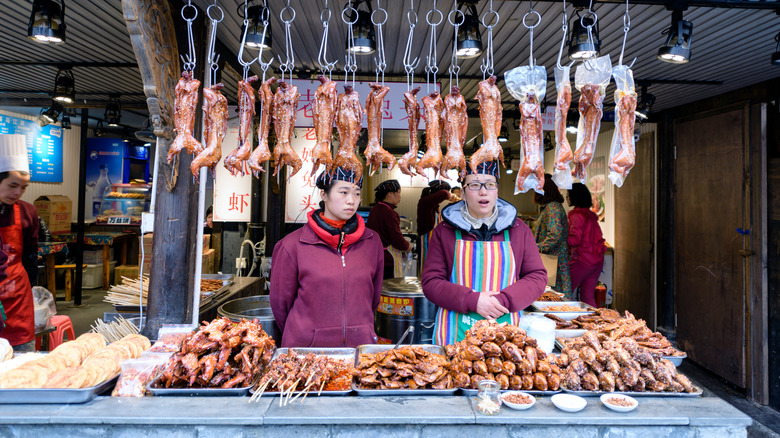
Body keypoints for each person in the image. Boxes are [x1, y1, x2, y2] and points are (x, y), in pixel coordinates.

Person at [422, 161, 547, 345]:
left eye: (490, 184)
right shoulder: (444, 231)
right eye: (474, 185)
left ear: (496, 190)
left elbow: (537, 276)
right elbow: (431, 282)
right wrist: (473, 300)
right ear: (463, 193)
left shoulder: (519, 230)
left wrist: (503, 300)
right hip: (455, 335)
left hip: (506, 336)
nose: (483, 191)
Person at [270, 167, 384, 348]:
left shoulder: (372, 242)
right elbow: (280, 305)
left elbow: (374, 297)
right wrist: (308, 334)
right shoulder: (292, 245)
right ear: (324, 194)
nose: (351, 200)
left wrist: (360, 329)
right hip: (307, 353)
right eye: (344, 192)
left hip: (359, 349)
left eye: (356, 193)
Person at [0, 135, 40, 352]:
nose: (17, 192)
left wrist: (30, 287)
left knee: (23, 359)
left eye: (23, 187)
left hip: (17, 299)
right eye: (12, 185)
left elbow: (31, 255)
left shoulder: (27, 211)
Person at [567, 183, 606, 307]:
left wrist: (561, 239)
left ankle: (560, 321)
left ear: (574, 197)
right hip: (597, 261)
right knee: (588, 296)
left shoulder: (577, 216)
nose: (567, 198)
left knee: (564, 292)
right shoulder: (590, 215)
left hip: (582, 261)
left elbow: (575, 240)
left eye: (568, 195)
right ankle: (593, 323)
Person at [534, 174, 571, 298]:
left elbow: (554, 235)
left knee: (556, 298)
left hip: (555, 263)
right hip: (554, 261)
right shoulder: (552, 206)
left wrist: (536, 248)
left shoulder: (552, 208)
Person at [367, 179, 410, 279]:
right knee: (390, 288)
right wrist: (407, 246)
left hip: (375, 257)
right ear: (390, 194)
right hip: (388, 259)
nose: (400, 197)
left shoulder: (375, 209)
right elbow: (397, 240)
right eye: (399, 193)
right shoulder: (390, 213)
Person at [416, 180, 453, 271]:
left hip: (434, 242)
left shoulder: (434, 207)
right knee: (428, 269)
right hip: (427, 242)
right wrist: (450, 195)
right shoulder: (425, 202)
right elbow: (444, 194)